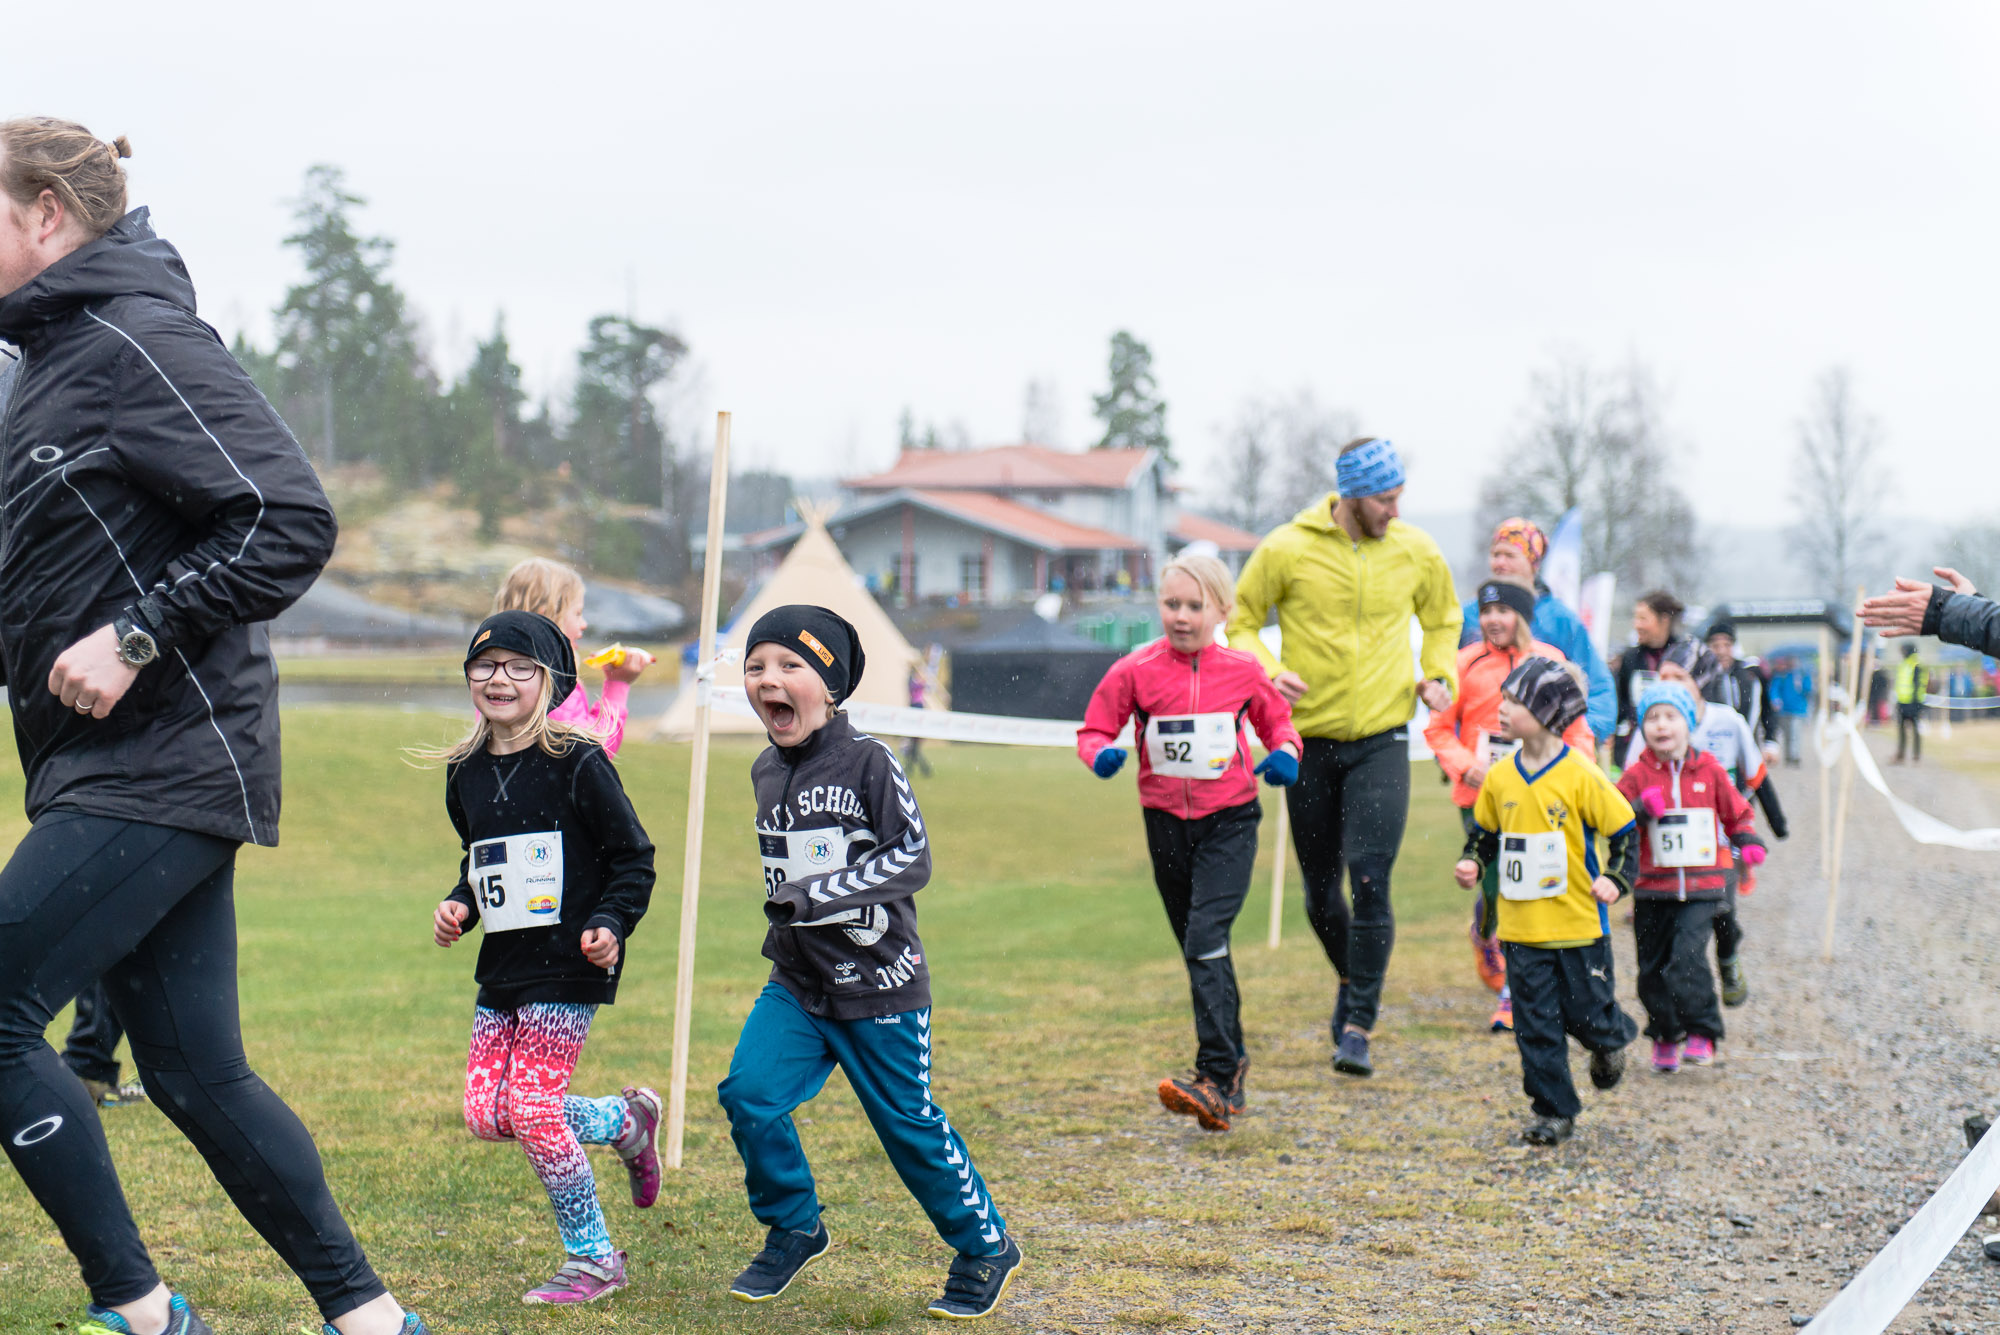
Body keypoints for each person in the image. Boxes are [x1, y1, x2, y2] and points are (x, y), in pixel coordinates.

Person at [0, 118, 425, 1335]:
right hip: (102, 766)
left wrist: (134, 637)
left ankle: (140, 1311)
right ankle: (374, 1323)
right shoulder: (45, 367)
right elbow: (39, 597)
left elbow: (286, 519)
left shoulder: (140, 340)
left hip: (165, 758)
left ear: (42, 213)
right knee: (193, 1072)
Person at [718, 606, 1022, 1320]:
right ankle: (795, 1223)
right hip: (797, 984)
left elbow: (911, 858)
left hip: (879, 985)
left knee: (907, 1126)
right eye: (757, 667)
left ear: (830, 686)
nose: (771, 680)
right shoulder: (765, 768)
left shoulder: (870, 761)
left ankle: (984, 1244)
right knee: (749, 1094)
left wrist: (817, 894)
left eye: (791, 665)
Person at [426, 612, 660, 1305]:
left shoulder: (579, 761)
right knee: (486, 1114)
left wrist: (611, 922)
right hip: (503, 967)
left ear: (551, 680)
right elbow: (479, 860)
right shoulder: (465, 770)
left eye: (518, 666)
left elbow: (633, 859)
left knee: (531, 1107)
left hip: (570, 961)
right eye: (485, 664)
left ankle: (593, 1259)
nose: (499, 678)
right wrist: (459, 904)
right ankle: (625, 1121)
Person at [1226, 437, 1461, 1078]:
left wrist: (1440, 674)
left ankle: (1358, 1022)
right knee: (1319, 894)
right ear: (1352, 496)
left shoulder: (1416, 550)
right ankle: (1351, 980)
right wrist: (1267, 671)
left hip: (1384, 737)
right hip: (1308, 740)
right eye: (1385, 499)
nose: (1394, 510)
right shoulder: (1286, 548)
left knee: (1370, 876)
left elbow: (1444, 619)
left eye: (1398, 497)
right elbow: (1241, 620)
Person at [1077, 554, 1301, 1131]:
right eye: (1172, 604)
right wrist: (1100, 754)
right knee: (1200, 948)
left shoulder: (1244, 671)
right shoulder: (1136, 669)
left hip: (1229, 820)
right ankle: (1232, 1073)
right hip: (1165, 825)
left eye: (1195, 607)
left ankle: (1216, 1075)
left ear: (1222, 611)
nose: (1181, 616)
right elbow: (1096, 726)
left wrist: (1283, 757)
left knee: (1205, 939)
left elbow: (1280, 725)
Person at [1454, 658, 1638, 1146]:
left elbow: (1624, 831)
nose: (1502, 709)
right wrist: (1472, 862)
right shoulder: (1498, 778)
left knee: (1588, 1017)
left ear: (1548, 712)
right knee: (1534, 1026)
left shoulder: (1582, 773)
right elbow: (1485, 834)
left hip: (1580, 924)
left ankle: (1608, 1040)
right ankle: (1553, 1111)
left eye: (1514, 701)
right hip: (1521, 931)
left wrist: (1617, 880)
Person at [1425, 578, 1596, 1033]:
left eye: (1502, 611)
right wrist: (1466, 767)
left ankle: (1517, 989)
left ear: (1522, 615)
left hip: (1544, 794)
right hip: (1482, 794)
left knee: (1538, 881)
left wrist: (1580, 771)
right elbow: (1438, 729)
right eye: (1485, 613)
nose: (1492, 621)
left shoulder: (1551, 662)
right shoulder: (1464, 663)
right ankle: (1490, 931)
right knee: (1502, 880)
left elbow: (1577, 728)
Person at [1616, 684, 1764, 1074]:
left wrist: (1747, 841)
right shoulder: (1637, 775)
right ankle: (1664, 1034)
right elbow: (1612, 821)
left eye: (1670, 716)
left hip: (1702, 887)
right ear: (1642, 728)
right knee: (1652, 969)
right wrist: (1639, 810)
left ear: (1689, 723)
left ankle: (1702, 1031)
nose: (1661, 726)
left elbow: (1737, 812)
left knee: (1687, 959)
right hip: (1652, 889)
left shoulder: (1711, 770)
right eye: (1652, 718)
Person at [1455, 518, 1617, 741]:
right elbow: (1449, 686)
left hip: (1544, 752)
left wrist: (1578, 736)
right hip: (1479, 756)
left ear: (1534, 562)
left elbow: (1598, 687)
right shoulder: (1470, 615)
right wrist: (1457, 749)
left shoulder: (1561, 620)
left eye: (1510, 555)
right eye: (1495, 554)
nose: (1500, 563)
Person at [493, 557, 655, 753]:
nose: (584, 624)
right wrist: (617, 685)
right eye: (577, 613)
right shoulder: (554, 683)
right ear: (548, 620)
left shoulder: (495, 676)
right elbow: (593, 752)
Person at [1704, 622, 1789, 843]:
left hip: (1744, 751)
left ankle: (1746, 848)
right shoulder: (1701, 677)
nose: (1721, 650)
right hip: (1712, 754)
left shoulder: (1750, 674)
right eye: (1715, 645)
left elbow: (1768, 709)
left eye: (1726, 644)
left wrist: (1771, 741)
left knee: (1745, 801)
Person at [1613, 591, 1693, 757]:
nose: (1637, 625)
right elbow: (1621, 704)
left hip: (1678, 747)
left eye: (1643, 619)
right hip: (1637, 747)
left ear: (1664, 620)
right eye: (1635, 618)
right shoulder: (1631, 658)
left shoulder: (1686, 655)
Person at [1765, 655, 1815, 767]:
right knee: (1787, 734)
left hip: (1798, 710)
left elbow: (1809, 690)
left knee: (1795, 733)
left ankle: (1794, 756)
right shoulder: (1781, 675)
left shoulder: (1802, 674)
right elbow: (1774, 689)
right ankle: (1788, 756)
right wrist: (1775, 700)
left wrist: (1802, 684)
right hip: (1783, 710)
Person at [1893, 643, 1929, 763]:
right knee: (1902, 729)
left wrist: (1915, 704)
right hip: (1903, 701)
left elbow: (1918, 684)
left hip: (1913, 703)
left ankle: (1916, 755)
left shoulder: (1916, 664)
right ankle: (1901, 754)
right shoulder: (1904, 664)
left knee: (1915, 729)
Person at [904, 660, 935, 778]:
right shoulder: (915, 682)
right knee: (914, 745)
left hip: (917, 708)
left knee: (914, 745)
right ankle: (921, 769)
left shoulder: (914, 682)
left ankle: (916, 768)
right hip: (916, 708)